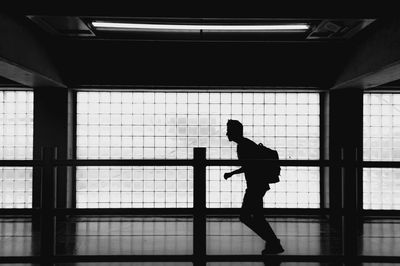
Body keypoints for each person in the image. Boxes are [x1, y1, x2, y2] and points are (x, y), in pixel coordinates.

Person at [223, 119, 284, 255]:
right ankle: (273, 242)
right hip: (258, 185)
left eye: (229, 131)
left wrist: (232, 173)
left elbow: (249, 166)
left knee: (245, 216)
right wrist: (232, 173)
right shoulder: (246, 144)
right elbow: (250, 165)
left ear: (234, 132)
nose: (227, 133)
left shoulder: (243, 146)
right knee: (257, 216)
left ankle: (273, 242)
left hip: (255, 186)